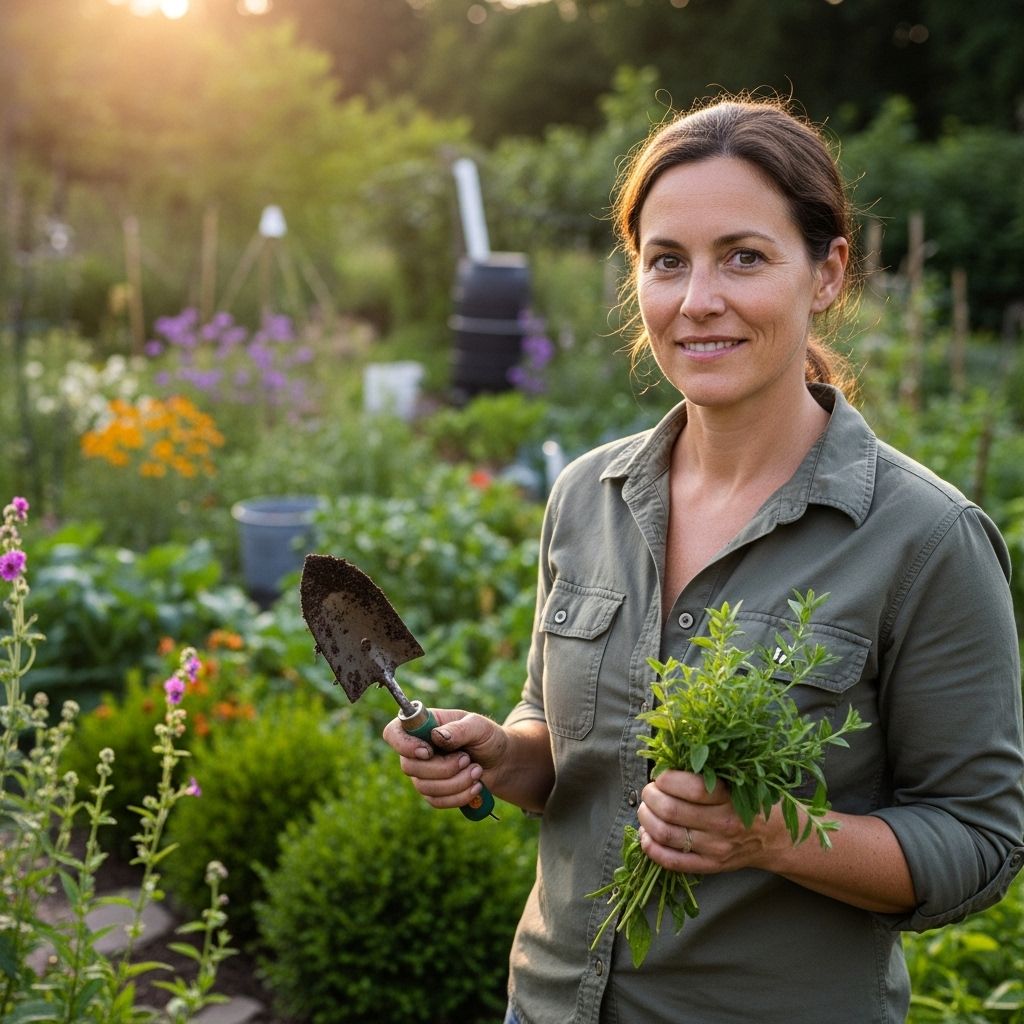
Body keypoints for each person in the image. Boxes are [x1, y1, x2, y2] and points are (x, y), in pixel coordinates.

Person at [383, 94, 1024, 1024]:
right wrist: (505, 754)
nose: (698, 301)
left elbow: (978, 842)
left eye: (745, 257)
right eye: (667, 262)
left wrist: (772, 835)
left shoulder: (927, 539)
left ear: (828, 271)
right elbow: (565, 750)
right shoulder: (586, 499)